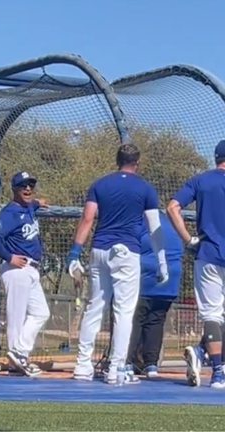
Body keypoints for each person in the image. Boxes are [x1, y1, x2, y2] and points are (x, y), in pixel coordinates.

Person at [68, 144, 167, 384]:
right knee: (124, 311)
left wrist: (74, 254)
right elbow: (155, 227)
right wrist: (161, 261)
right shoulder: (145, 188)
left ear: (117, 160)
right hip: (127, 252)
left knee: (95, 307)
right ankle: (116, 369)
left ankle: (82, 366)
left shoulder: (100, 184)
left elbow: (88, 218)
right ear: (137, 163)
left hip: (99, 250)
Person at [167, 140, 225, 388]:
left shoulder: (201, 180)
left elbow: (172, 207)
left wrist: (188, 239)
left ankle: (215, 368)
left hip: (208, 253)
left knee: (213, 313)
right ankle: (210, 359)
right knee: (218, 315)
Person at [0, 171, 50, 377]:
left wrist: (38, 203)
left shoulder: (28, 207)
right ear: (15, 189)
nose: (28, 189)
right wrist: (9, 256)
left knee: (41, 313)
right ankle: (17, 360)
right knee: (16, 318)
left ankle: (19, 353)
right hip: (17, 269)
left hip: (31, 269)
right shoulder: (10, 213)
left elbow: (31, 204)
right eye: (23, 186)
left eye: (30, 185)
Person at [126, 211, 183, 378]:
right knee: (156, 320)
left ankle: (126, 362)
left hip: (148, 276)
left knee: (134, 319)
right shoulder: (171, 221)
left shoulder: (140, 220)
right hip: (171, 279)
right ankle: (151, 364)